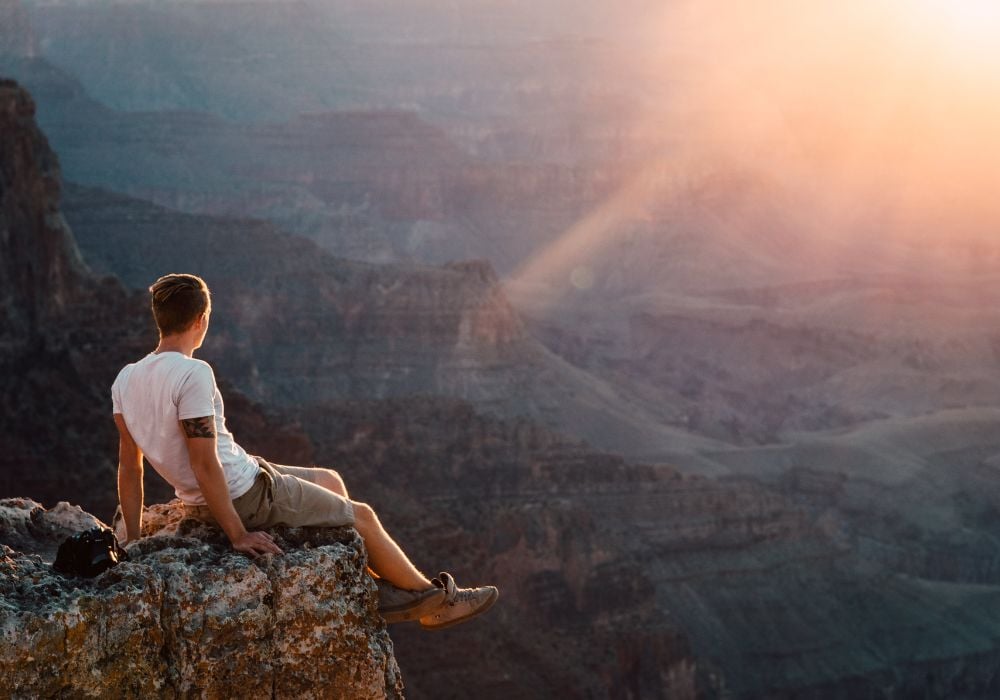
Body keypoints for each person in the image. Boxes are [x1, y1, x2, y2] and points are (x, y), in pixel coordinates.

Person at [112, 273, 497, 630]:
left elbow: (130, 468)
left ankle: (369, 582)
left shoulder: (125, 380)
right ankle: (436, 602)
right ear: (202, 320)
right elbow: (204, 463)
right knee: (362, 515)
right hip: (244, 494)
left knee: (330, 479)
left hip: (229, 482)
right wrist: (238, 534)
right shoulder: (193, 373)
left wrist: (130, 539)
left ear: (159, 319)